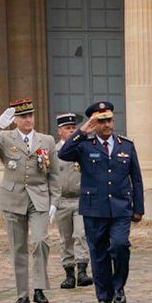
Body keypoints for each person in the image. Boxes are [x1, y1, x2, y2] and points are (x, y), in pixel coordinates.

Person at [57, 101, 144, 303]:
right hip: (94, 207)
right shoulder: (84, 145)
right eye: (101, 121)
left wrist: (138, 208)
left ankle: (118, 286)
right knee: (98, 253)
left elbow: (136, 178)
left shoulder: (126, 146)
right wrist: (82, 131)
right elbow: (63, 153)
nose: (107, 125)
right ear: (93, 123)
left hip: (120, 207)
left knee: (120, 246)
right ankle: (104, 296)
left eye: (109, 120)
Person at [0, 97, 59, 303]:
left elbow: (54, 174)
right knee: (18, 247)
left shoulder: (46, 140)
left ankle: (39, 288)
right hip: (13, 198)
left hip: (39, 198)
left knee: (40, 241)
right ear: (15, 120)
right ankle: (22, 293)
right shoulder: (5, 139)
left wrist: (54, 201)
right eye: (23, 116)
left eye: (30, 115)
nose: (28, 119)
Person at [52, 112, 92, 289]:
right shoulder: (53, 152)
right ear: (59, 131)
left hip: (80, 199)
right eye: (67, 128)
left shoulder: (81, 148)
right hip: (62, 200)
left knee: (81, 234)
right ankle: (69, 272)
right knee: (66, 238)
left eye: (73, 128)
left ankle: (82, 270)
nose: (71, 131)